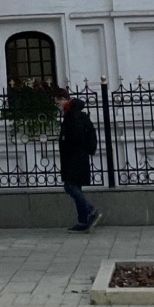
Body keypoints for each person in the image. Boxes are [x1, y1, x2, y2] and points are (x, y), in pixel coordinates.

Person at [58, 92, 99, 232]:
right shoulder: (76, 113)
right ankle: (83, 221)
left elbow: (75, 136)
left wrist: (65, 142)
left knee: (70, 186)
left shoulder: (72, 115)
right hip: (79, 155)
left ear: (64, 100)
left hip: (73, 156)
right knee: (76, 186)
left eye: (58, 101)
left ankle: (90, 210)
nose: (58, 104)